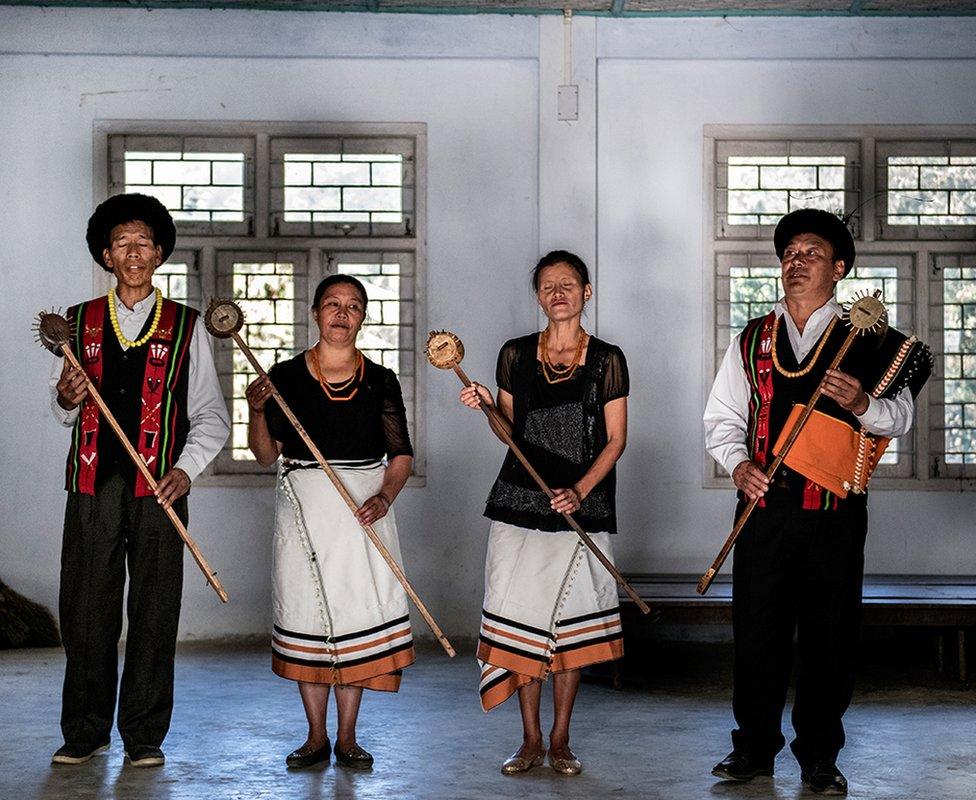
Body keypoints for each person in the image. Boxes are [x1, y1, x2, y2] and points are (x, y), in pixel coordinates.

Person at [703, 208, 932, 795]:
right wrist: (740, 466)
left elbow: (900, 416)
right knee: (757, 632)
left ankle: (819, 757)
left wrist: (861, 403)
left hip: (834, 513)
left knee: (831, 635)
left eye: (811, 253)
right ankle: (753, 749)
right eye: (789, 254)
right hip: (763, 511)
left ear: (841, 269)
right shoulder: (753, 338)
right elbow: (722, 419)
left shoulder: (871, 340)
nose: (796, 262)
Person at [50, 193, 230, 768]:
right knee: (85, 609)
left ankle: (144, 736)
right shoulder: (78, 322)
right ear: (106, 255)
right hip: (91, 487)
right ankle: (85, 732)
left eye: (144, 243)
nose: (133, 252)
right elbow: (63, 408)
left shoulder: (186, 326)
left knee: (155, 609)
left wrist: (184, 470)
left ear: (159, 255)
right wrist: (63, 398)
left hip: (160, 492)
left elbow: (211, 416)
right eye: (122, 243)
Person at [459, 250, 628, 776]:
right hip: (520, 501)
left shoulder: (608, 359)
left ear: (587, 292)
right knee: (522, 622)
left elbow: (617, 440)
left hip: (584, 505)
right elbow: (509, 434)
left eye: (569, 285)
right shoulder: (513, 354)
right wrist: (488, 406)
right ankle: (530, 738)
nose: (559, 294)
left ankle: (561, 740)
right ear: (538, 296)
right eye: (549, 286)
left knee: (570, 629)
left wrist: (578, 490)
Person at [247, 274, 415, 771]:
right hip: (303, 509)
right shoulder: (285, 376)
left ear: (364, 317)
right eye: (333, 305)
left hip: (363, 509)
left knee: (356, 617)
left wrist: (385, 496)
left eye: (354, 306)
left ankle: (347, 737)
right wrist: (257, 410)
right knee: (308, 616)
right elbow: (263, 456)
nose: (342, 314)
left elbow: (400, 453)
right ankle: (316, 736)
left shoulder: (381, 379)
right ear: (315, 312)